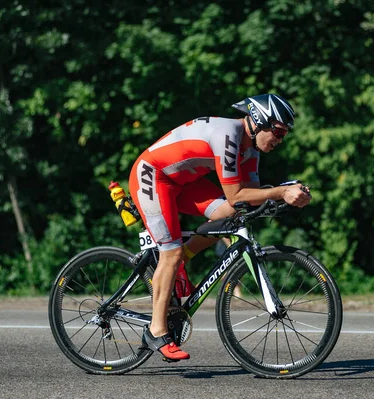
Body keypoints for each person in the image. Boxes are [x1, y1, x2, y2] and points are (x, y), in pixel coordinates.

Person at [128, 94, 312, 361]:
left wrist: (285, 195)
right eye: (279, 132)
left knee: (233, 217)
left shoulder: (251, 150)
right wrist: (281, 192)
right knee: (171, 252)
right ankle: (156, 330)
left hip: (182, 182)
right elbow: (237, 194)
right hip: (153, 176)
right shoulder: (229, 135)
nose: (280, 140)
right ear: (260, 120)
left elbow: (248, 200)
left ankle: (181, 264)